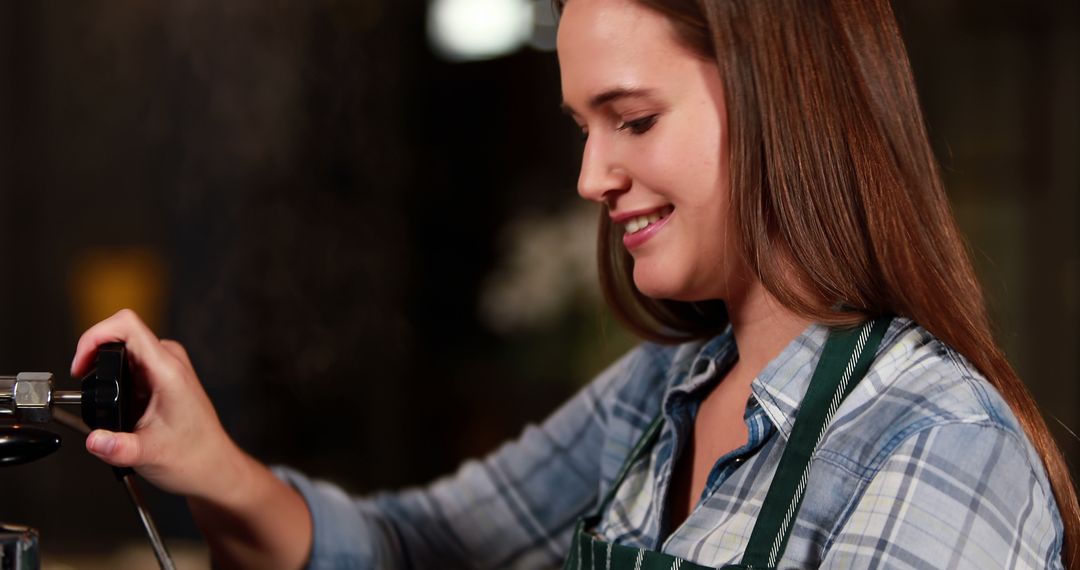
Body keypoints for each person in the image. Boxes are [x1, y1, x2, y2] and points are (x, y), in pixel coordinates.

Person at [71, 0, 1077, 568]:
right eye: (583, 129)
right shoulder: (653, 400)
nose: (592, 177)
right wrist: (206, 463)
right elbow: (410, 553)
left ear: (787, 105)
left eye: (632, 119)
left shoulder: (938, 443)